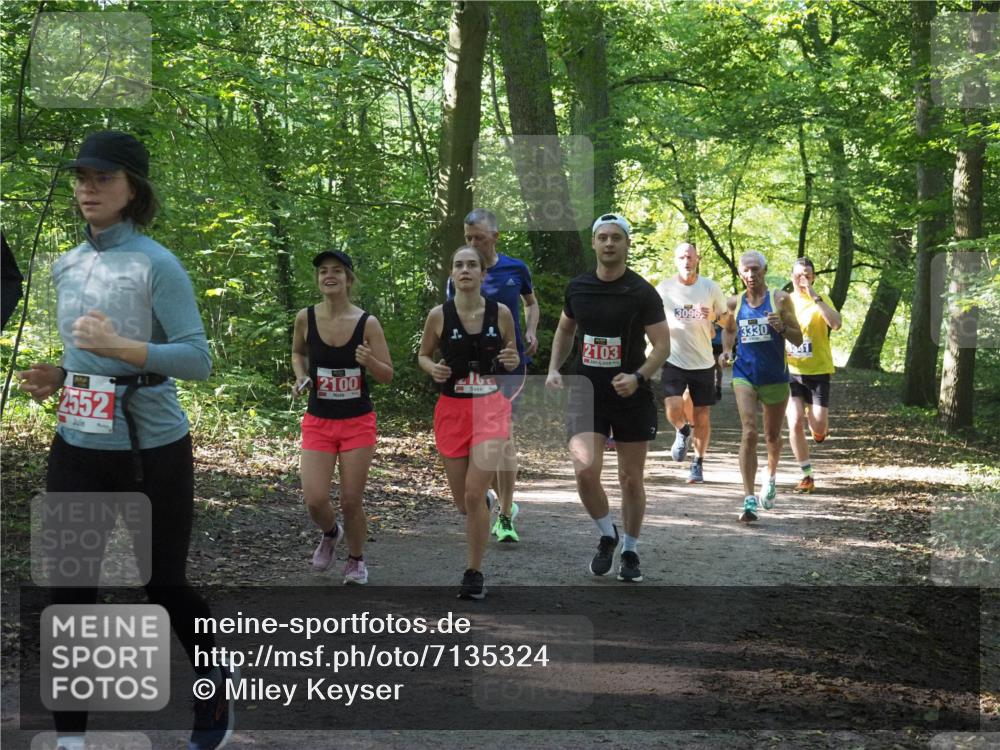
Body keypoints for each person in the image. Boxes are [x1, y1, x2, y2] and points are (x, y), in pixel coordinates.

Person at [17, 131, 235, 750]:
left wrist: (121, 348)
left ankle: (213, 687)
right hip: (76, 444)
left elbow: (196, 359)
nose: (88, 187)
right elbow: (85, 357)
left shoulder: (156, 263)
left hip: (152, 448)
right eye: (81, 177)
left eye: (103, 177)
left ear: (133, 188)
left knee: (162, 585)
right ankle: (71, 739)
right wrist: (62, 376)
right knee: (70, 590)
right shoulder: (66, 262)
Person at [546, 213, 670, 583]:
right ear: (594, 243)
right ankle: (607, 534)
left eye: (617, 237)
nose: (610, 243)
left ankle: (630, 549)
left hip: (630, 395)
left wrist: (638, 377)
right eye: (603, 237)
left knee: (631, 479)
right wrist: (555, 367)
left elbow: (662, 346)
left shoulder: (642, 292)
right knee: (585, 472)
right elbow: (565, 329)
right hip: (588, 394)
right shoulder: (578, 287)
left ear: (626, 243)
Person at [419, 246, 520, 599]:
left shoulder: (502, 313)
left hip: (491, 407)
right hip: (452, 410)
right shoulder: (438, 316)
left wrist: (510, 357)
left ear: (482, 274)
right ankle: (484, 508)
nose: (465, 270)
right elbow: (423, 354)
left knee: (475, 493)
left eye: (472, 265)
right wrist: (433, 368)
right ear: (452, 274)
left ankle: (473, 573)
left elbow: (512, 353)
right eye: (458, 264)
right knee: (465, 502)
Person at [292, 249, 394, 585]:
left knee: (351, 500)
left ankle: (356, 559)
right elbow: (297, 352)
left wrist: (370, 362)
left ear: (349, 279)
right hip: (319, 420)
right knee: (315, 499)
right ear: (318, 279)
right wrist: (300, 375)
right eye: (323, 271)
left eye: (336, 270)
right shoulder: (305, 318)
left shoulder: (368, 323)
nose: (329, 275)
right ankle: (330, 532)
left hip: (357, 422)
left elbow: (387, 376)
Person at [448, 208, 539, 543]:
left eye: (479, 237)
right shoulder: (458, 275)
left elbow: (532, 303)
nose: (473, 242)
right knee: (485, 443)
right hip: (472, 373)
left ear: (495, 236)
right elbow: (449, 321)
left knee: (504, 437)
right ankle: (488, 496)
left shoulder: (516, 269)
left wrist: (530, 331)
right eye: (468, 237)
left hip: (508, 365)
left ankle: (505, 514)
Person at [719, 250, 802, 523]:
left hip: (776, 376)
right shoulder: (735, 302)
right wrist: (727, 351)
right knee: (749, 432)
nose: (751, 274)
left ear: (764, 271)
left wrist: (782, 329)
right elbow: (729, 329)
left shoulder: (780, 299)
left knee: (772, 436)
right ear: (741, 273)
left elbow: (799, 338)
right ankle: (748, 498)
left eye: (756, 269)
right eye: (746, 270)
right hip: (745, 374)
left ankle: (771, 476)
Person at [655, 242, 729, 483]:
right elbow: (648, 318)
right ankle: (682, 430)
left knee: (702, 415)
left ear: (698, 259)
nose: (686, 261)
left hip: (704, 362)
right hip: (673, 359)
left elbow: (729, 321)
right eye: (681, 257)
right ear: (675, 261)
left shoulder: (710, 287)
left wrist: (715, 317)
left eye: (690, 256)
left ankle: (698, 463)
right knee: (673, 408)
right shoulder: (664, 289)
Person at [784, 257, 841, 493]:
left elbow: (836, 324)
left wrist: (815, 297)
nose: (803, 279)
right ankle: (806, 474)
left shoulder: (822, 298)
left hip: (818, 370)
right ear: (792, 277)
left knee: (818, 425)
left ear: (814, 277)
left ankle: (818, 429)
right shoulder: (785, 301)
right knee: (794, 421)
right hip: (791, 371)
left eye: (807, 274)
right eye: (799, 275)